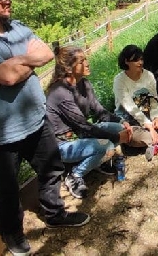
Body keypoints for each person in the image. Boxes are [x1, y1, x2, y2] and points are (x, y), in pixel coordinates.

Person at [0, 0, 89, 256]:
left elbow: (45, 54)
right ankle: (13, 234)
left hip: (36, 119)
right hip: (1, 130)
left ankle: (54, 214)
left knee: (52, 168)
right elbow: (8, 76)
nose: (8, 0)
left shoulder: (16, 27)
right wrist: (26, 60)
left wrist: (20, 62)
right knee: (8, 188)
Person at [45, 46, 133, 199]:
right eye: (82, 61)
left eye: (86, 59)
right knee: (105, 144)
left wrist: (122, 121)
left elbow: (99, 111)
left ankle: (96, 162)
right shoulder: (60, 92)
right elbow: (85, 126)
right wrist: (116, 138)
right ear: (68, 68)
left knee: (117, 128)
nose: (87, 63)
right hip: (63, 144)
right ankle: (74, 175)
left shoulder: (84, 84)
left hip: (81, 135)